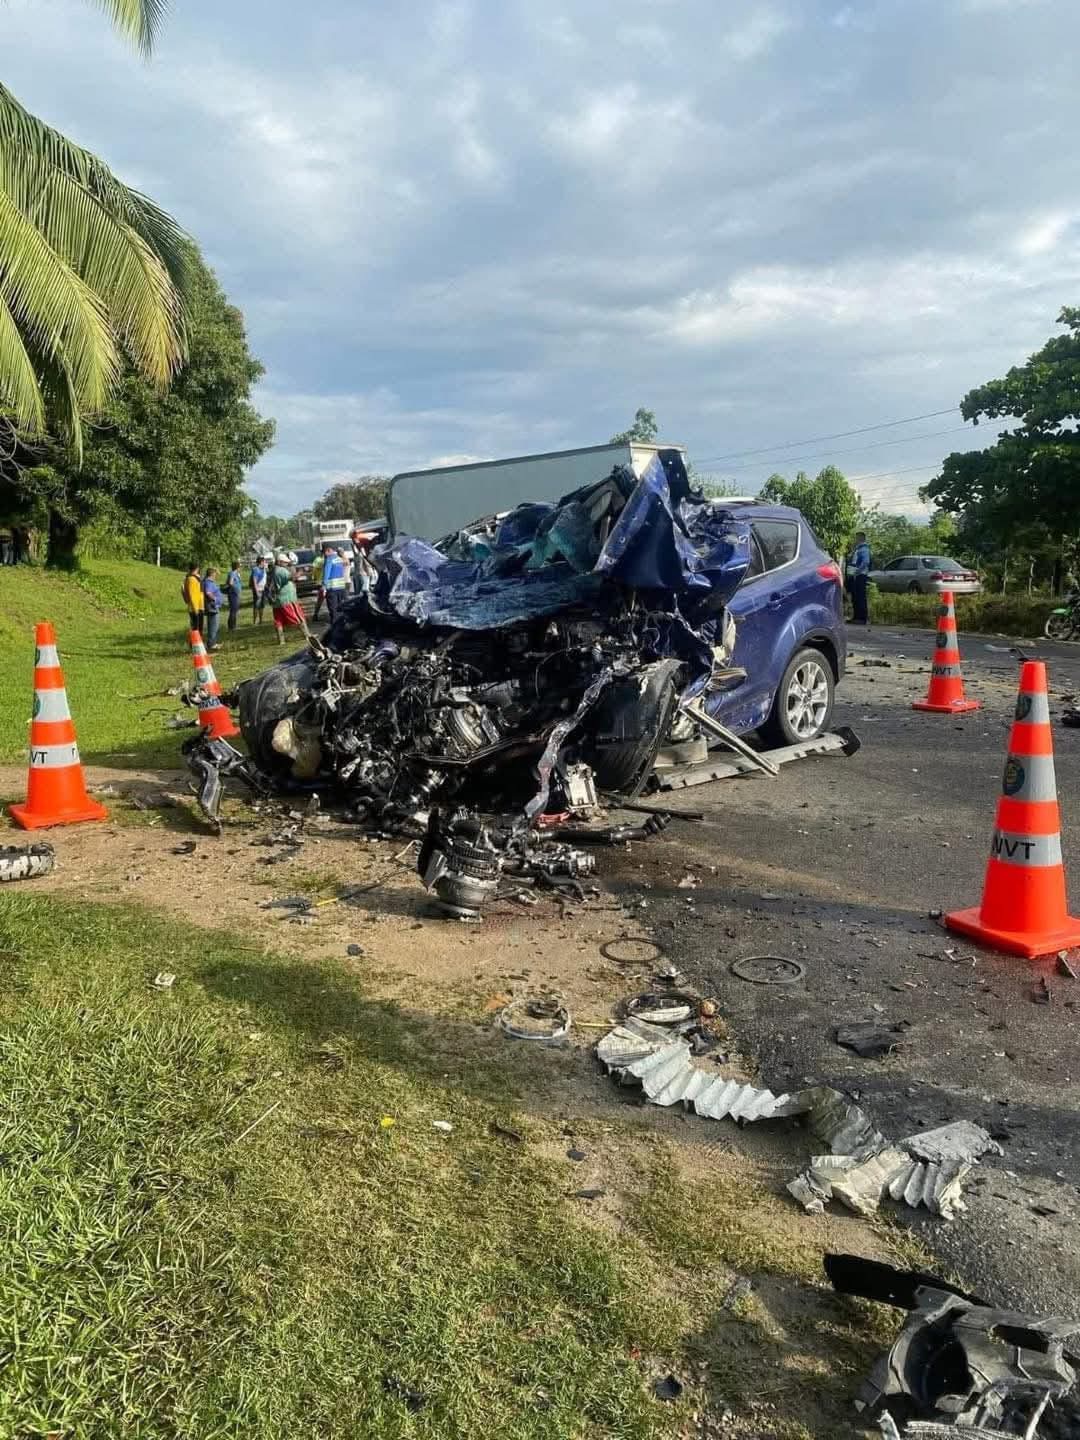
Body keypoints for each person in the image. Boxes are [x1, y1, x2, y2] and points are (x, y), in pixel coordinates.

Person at [270, 553, 306, 645]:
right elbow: (293, 577)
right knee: (298, 617)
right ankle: (307, 635)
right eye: (285, 562)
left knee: (278, 621)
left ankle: (281, 640)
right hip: (287, 599)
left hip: (277, 600)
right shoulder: (281, 570)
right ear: (279, 562)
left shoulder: (273, 570)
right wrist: (301, 571)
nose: (286, 564)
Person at [850, 531, 872, 627]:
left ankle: (862, 618)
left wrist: (857, 571)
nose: (855, 540)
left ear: (861, 538)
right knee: (855, 597)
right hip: (856, 576)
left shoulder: (864, 549)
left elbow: (866, 562)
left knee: (860, 597)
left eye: (856, 538)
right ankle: (856, 617)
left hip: (860, 575)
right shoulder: (858, 549)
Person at [324, 545, 348, 624]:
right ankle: (343, 621)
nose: (325, 554)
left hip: (332, 588)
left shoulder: (329, 559)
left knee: (333, 607)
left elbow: (327, 573)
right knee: (342, 605)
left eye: (325, 552)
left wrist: (324, 585)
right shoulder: (339, 559)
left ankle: (335, 623)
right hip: (341, 587)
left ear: (328, 550)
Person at [202, 566, 224, 651]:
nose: (216, 576)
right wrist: (215, 599)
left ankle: (212, 643)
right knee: (213, 626)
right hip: (212, 607)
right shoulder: (208, 582)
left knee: (214, 626)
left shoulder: (208, 582)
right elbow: (208, 593)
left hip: (213, 607)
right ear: (212, 574)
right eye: (216, 574)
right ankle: (212, 644)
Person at [182, 562, 204, 634]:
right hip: (195, 608)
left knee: (199, 628)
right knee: (195, 628)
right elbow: (192, 595)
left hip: (199, 606)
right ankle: (195, 641)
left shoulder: (195, 578)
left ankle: (199, 640)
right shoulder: (191, 579)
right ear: (197, 568)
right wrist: (195, 609)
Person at [311, 546, 329, 621]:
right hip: (321, 583)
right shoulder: (318, 560)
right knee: (320, 599)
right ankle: (315, 614)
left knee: (329, 599)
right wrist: (314, 577)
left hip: (328, 583)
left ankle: (331, 614)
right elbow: (314, 569)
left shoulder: (329, 559)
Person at [225, 559, 243, 632]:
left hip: (236, 593)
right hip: (233, 593)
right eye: (240, 566)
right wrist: (235, 589)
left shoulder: (236, 574)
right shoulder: (232, 573)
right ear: (237, 567)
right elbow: (230, 582)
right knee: (233, 610)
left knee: (235, 610)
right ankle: (231, 627)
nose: (241, 568)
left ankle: (234, 626)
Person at [250, 556, 268, 623]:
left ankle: (261, 620)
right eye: (264, 561)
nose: (265, 563)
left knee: (262, 606)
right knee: (257, 606)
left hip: (263, 589)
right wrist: (257, 591)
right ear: (261, 562)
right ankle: (254, 621)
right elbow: (254, 581)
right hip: (258, 590)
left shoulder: (264, 569)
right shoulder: (256, 569)